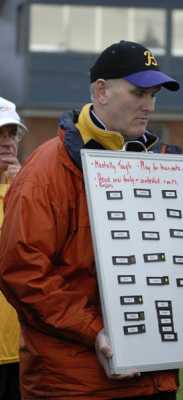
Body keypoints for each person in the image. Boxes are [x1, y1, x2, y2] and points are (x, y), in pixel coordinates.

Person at [0, 41, 183, 400]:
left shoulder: (157, 164)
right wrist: (97, 331)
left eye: (154, 95)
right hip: (76, 385)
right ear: (101, 91)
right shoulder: (46, 171)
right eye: (138, 93)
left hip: (155, 378)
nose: (149, 106)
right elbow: (22, 273)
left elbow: (167, 266)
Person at [0, 96, 27, 400]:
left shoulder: (29, 193)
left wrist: (22, 193)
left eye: (12, 134)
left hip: (23, 352)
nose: (8, 143)